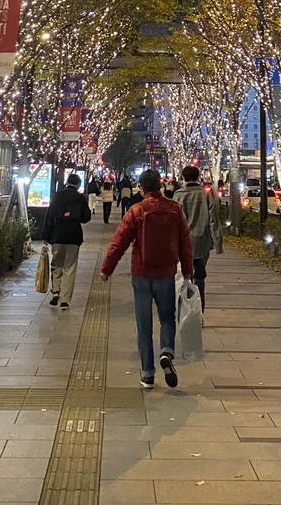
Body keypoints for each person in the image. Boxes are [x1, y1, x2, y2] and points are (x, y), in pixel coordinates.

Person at [101, 168, 193, 389]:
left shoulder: (137, 210)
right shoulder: (175, 209)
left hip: (141, 273)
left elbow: (119, 242)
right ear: (160, 185)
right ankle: (166, 352)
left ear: (141, 188)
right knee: (167, 317)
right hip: (166, 272)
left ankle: (147, 374)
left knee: (144, 325)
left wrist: (107, 269)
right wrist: (187, 270)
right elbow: (185, 242)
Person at [174, 167, 222, 311]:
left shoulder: (178, 195)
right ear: (198, 177)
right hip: (201, 242)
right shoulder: (205, 194)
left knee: (184, 277)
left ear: (183, 177)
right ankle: (199, 310)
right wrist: (218, 243)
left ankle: (185, 310)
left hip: (182, 244)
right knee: (200, 278)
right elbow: (213, 220)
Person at [42, 173, 91, 310]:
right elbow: (86, 218)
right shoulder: (80, 197)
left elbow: (49, 216)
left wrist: (46, 235)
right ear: (78, 184)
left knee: (56, 264)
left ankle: (56, 291)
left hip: (57, 236)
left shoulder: (57, 196)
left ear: (67, 182)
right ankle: (65, 300)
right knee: (70, 267)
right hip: (73, 237)